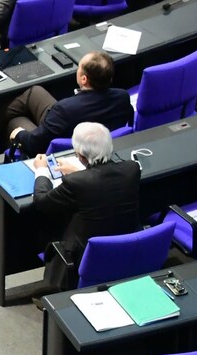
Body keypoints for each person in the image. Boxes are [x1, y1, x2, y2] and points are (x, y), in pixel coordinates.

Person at [31, 122, 140, 292]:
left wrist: (42, 171)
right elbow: (101, 183)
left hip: (84, 254)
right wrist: (80, 173)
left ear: (80, 155)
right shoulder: (132, 169)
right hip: (126, 247)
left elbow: (42, 201)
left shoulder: (76, 183)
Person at [0, 50, 133, 157]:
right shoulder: (122, 97)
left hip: (63, 150)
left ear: (84, 79)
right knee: (35, 91)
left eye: (79, 68)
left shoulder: (64, 109)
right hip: (83, 131)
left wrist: (19, 134)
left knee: (15, 122)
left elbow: (35, 143)